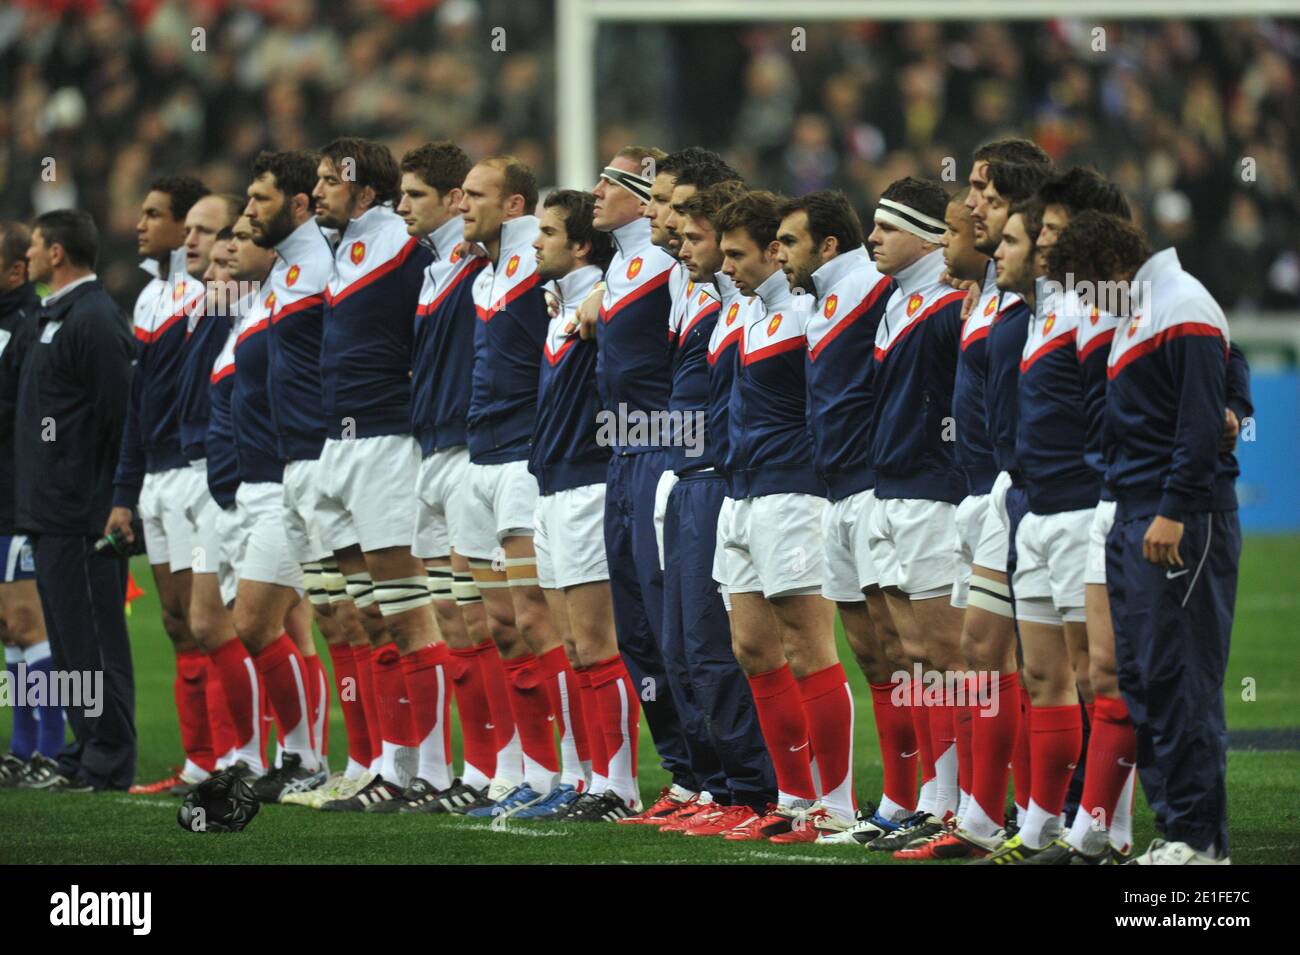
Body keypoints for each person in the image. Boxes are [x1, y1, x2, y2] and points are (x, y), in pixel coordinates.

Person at [711, 190, 850, 843]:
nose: (726, 264)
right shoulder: (753, 311)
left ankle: (838, 803)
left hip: (793, 490)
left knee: (806, 645)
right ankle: (793, 798)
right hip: (740, 494)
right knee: (753, 648)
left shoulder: (804, 309)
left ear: (775, 249)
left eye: (737, 253)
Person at [774, 190, 907, 846]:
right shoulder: (818, 295)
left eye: (790, 243)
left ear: (828, 244)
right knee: (874, 654)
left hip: (882, 489)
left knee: (912, 652)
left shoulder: (876, 287)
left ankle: (933, 800)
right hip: (837, 493)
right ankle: (899, 801)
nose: (779, 256)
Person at [518, 188, 639, 822]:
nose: (534, 242)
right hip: (552, 486)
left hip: (590, 484)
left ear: (583, 245)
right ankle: (585, 777)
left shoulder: (605, 301)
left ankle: (618, 786)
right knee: (569, 646)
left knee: (598, 644)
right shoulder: (561, 305)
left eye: (547, 232)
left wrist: (605, 295)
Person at [455, 155, 570, 817]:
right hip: (480, 459)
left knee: (535, 616)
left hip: (525, 458)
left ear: (516, 204)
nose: (463, 204)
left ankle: (565, 771)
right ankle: (526, 767)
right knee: (500, 624)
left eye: (476, 195)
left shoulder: (536, 267)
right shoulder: (483, 275)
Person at [859, 177, 967, 855]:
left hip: (934, 494)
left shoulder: (951, 307)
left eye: (887, 226)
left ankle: (960, 801)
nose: (874, 237)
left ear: (929, 236)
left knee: (949, 657)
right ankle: (934, 792)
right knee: (913, 658)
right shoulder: (898, 303)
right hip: (891, 490)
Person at [14, 209, 135, 791]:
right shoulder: (53, 315)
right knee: (66, 642)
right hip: (51, 511)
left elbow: (120, 416)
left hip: (85, 513)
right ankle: (84, 751)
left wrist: (117, 500)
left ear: (56, 252)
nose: (30, 256)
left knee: (92, 639)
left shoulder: (94, 319)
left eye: (35, 246)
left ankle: (108, 756)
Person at [106, 176, 216, 795]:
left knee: (214, 623)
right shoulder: (150, 298)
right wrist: (125, 491)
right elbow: (138, 406)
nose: (139, 223)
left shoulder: (212, 295)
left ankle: (246, 757)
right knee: (177, 623)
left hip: (203, 473)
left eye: (154, 215)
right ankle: (200, 762)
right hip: (158, 478)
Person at [0, 220, 64, 787]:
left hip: (20, 499)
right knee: (8, 627)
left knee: (30, 622)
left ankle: (50, 745)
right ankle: (21, 748)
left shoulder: (30, 326)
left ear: (16, 271)